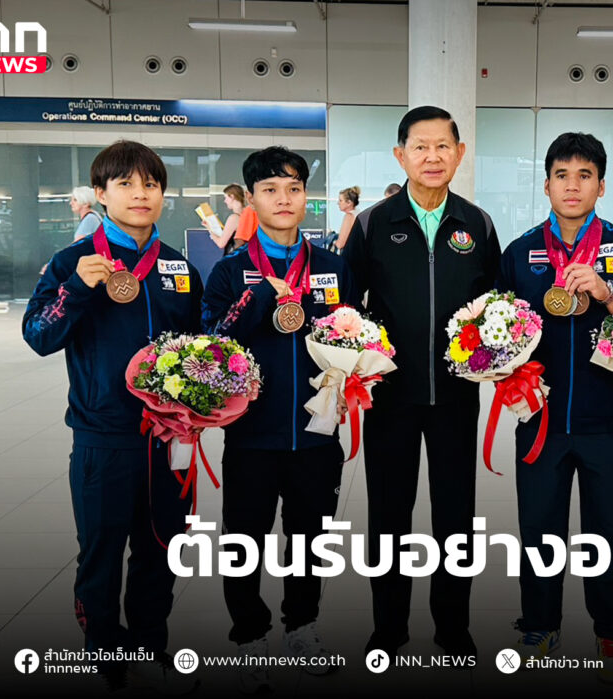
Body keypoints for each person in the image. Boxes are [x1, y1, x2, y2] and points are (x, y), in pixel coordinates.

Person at [22, 140, 203, 692]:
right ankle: (103, 648)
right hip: (104, 436)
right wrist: (78, 288)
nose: (140, 193)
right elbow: (39, 335)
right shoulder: (71, 262)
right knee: (101, 551)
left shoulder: (178, 267)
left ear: (163, 194)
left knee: (161, 547)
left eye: (150, 183)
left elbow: (200, 347)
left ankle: (149, 645)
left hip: (168, 439)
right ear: (100, 194)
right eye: (125, 183)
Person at [497, 132, 613, 684]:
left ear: (601, 185)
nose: (573, 186)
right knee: (539, 527)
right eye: (562, 175)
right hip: (540, 419)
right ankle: (539, 624)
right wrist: (499, 368)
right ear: (546, 185)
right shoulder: (520, 252)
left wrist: (609, 292)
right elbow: (495, 328)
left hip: (608, 419)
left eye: (584, 175)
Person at [343, 106, 501, 659]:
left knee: (456, 517)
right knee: (389, 514)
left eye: (443, 146)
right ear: (400, 155)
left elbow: (497, 308)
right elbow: (347, 307)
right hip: (390, 397)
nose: (432, 157)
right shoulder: (372, 224)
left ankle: (453, 630)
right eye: (420, 146)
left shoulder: (477, 224)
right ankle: (389, 628)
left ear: (460, 153)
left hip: (457, 396)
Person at [201, 146, 357, 693]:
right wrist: (257, 303)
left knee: (312, 538)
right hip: (252, 434)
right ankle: (248, 633)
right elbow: (211, 342)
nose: (283, 199)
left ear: (306, 195)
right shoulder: (230, 271)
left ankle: (301, 626)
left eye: (293, 188)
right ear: (251, 199)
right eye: (270, 189)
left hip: (317, 434)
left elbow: (355, 335)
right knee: (244, 538)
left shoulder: (332, 267)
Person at [201, 182, 245, 250]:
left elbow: (221, 244)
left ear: (232, 197)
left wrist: (210, 229)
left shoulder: (234, 218)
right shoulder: (250, 214)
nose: (225, 201)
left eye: (226, 197)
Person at [334, 185, 360, 251]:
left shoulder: (349, 216)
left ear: (349, 203)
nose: (338, 203)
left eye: (340, 200)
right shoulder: (358, 214)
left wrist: (334, 242)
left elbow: (340, 244)